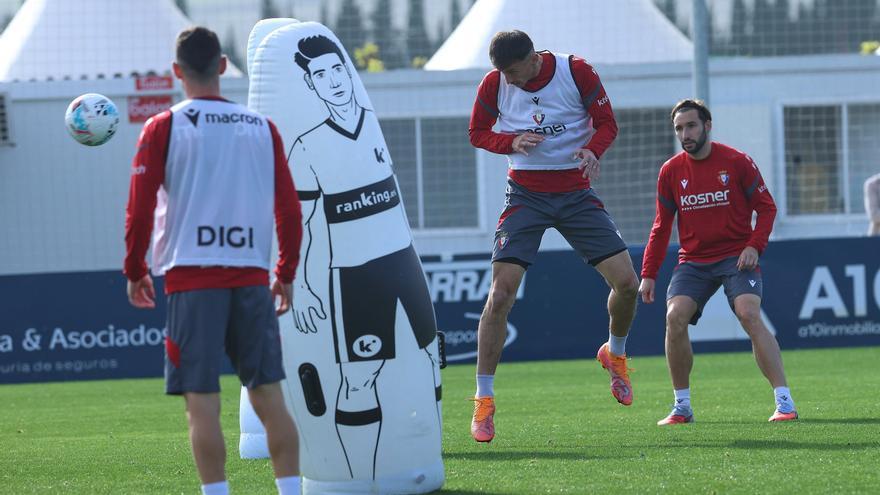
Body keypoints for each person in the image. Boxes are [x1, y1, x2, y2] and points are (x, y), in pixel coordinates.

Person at [124, 27, 304, 495]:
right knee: (269, 398)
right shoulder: (263, 128)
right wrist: (284, 272)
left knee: (201, 404)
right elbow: (289, 209)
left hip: (191, 279)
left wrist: (135, 268)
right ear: (223, 66)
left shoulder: (163, 126)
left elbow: (139, 208)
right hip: (249, 278)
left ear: (177, 72)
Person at [467, 30, 639, 443]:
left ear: (532, 59)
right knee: (500, 294)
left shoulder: (575, 70)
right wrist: (509, 141)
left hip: (575, 192)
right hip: (525, 193)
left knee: (628, 284)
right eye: (502, 73)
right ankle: (483, 400)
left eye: (513, 72)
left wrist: (593, 150)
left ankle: (614, 353)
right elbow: (477, 132)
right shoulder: (494, 83)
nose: (508, 81)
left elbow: (607, 123)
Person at [289, 34, 441, 479]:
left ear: (347, 72)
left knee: (431, 355)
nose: (333, 81)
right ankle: (358, 479)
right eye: (320, 75)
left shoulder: (373, 121)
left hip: (403, 261)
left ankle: (427, 456)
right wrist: (300, 285)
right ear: (312, 86)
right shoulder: (307, 146)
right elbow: (299, 224)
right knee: (359, 375)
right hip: (355, 276)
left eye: (338, 69)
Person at [639, 99, 797, 425]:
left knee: (748, 313)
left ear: (707, 126)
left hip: (737, 257)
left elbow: (766, 208)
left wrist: (754, 246)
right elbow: (661, 226)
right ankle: (682, 407)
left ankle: (784, 401)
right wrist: (649, 273)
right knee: (674, 317)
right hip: (694, 261)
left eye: (691, 125)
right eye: (679, 128)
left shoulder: (737, 162)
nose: (685, 133)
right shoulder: (670, 172)